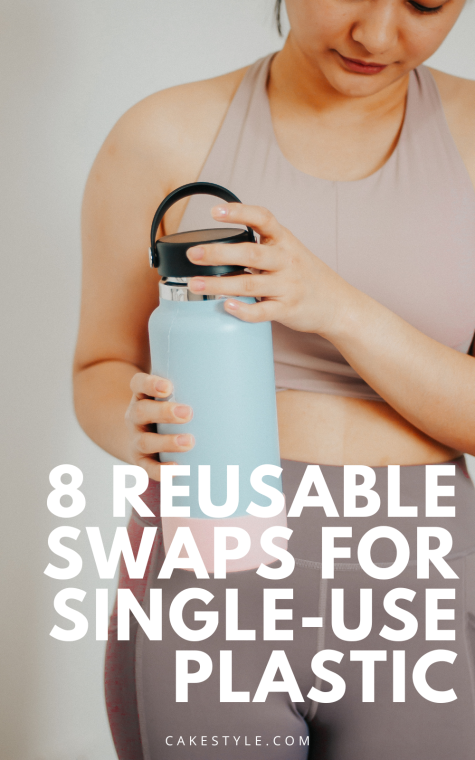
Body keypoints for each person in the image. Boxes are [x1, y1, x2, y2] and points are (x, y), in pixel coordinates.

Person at [73, 0, 475, 758]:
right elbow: (99, 365)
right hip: (205, 564)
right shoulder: (163, 134)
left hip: (422, 582)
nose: (377, 35)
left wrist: (333, 306)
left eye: (426, 2)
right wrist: (129, 425)